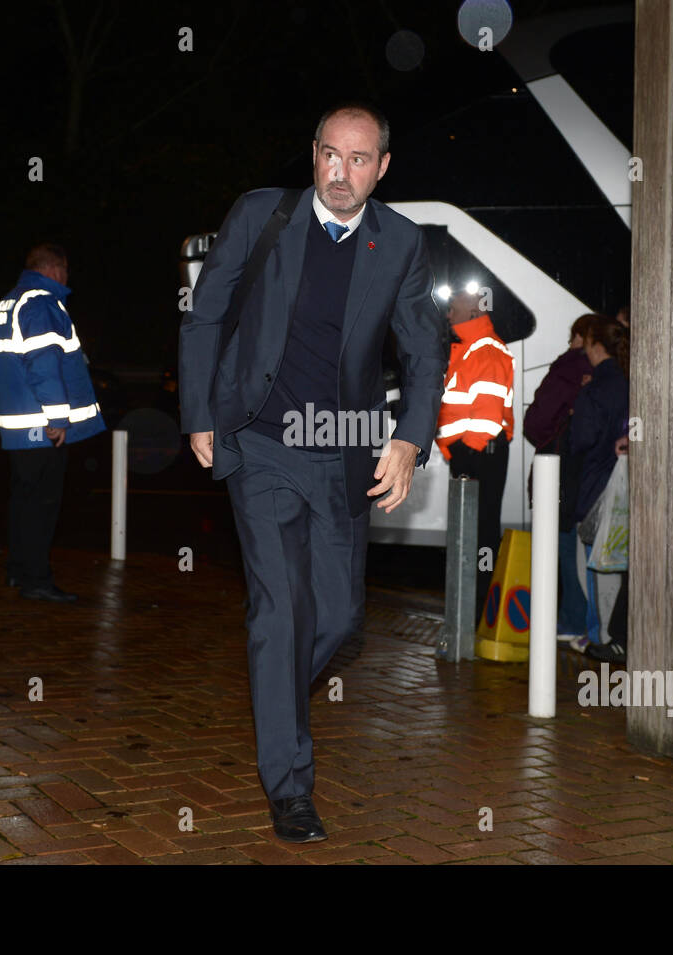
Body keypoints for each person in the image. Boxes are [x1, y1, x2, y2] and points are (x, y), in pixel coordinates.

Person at [179, 102, 446, 843]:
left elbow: (427, 349)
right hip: (260, 441)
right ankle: (290, 783)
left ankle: (275, 699)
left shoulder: (400, 243)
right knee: (280, 612)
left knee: (338, 618)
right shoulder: (263, 215)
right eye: (331, 154)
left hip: (345, 448)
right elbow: (207, 312)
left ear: (382, 168)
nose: (341, 171)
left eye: (359, 159)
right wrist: (201, 410)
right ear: (315, 154)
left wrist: (409, 439)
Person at [0, 244, 104, 601]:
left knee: (23, 501)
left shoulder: (7, 303)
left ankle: (17, 571)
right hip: (42, 427)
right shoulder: (41, 304)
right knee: (42, 505)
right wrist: (58, 417)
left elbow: (3, 364)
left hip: (20, 428)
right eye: (66, 271)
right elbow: (43, 363)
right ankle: (36, 580)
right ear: (55, 269)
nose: (68, 278)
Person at [434, 289, 514, 623]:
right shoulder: (472, 348)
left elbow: (487, 414)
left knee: (480, 535)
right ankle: (474, 605)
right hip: (473, 453)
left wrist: (464, 452)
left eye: (453, 308)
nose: (449, 314)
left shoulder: (485, 349)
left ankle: (480, 607)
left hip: (479, 455)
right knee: (473, 534)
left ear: (471, 311)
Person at [523, 313, 595, 639]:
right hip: (585, 470)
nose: (570, 343)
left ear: (583, 337)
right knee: (578, 550)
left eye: (573, 336)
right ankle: (582, 619)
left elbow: (538, 419)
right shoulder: (604, 373)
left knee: (561, 545)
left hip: (560, 466)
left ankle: (572, 619)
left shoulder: (567, 368)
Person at [567, 314, 629, 660]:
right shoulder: (629, 382)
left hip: (594, 490)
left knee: (592, 567)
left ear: (595, 344)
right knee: (617, 566)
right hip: (622, 489)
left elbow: (581, 442)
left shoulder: (593, 391)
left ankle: (605, 638)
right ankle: (612, 634)